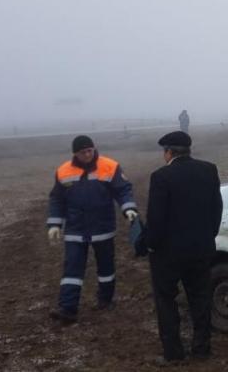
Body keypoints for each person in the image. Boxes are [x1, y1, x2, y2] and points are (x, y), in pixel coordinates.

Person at [145, 131, 223, 364]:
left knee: (166, 300)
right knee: (200, 298)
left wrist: (150, 245)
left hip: (168, 253)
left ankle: (173, 353)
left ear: (168, 152)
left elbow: (155, 218)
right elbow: (216, 209)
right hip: (201, 248)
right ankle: (201, 349)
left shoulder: (161, 177)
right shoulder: (209, 170)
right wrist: (209, 235)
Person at [47, 135, 137, 323]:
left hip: (102, 227)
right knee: (72, 268)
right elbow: (57, 199)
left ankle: (105, 299)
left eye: (90, 150)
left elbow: (123, 190)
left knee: (106, 267)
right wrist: (54, 224)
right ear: (75, 154)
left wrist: (128, 208)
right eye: (83, 152)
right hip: (75, 229)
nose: (88, 154)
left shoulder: (110, 166)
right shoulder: (63, 171)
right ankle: (68, 308)